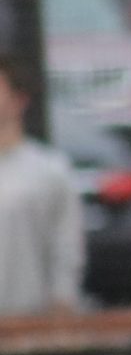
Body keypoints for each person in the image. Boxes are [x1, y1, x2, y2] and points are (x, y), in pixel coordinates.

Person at [0, 52, 84, 315]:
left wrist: (61, 307)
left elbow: (67, 251)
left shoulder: (49, 172)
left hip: (28, 322)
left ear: (19, 100)